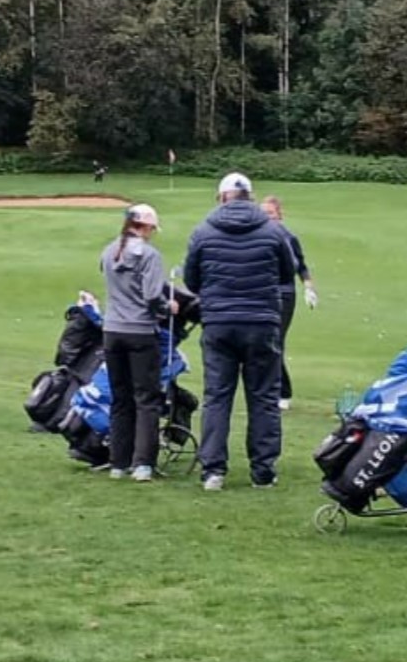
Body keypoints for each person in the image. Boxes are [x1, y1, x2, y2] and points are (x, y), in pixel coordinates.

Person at [178, 172, 300, 489]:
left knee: (217, 397)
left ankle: (213, 470)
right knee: (263, 397)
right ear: (250, 195)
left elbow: (191, 281)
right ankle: (263, 471)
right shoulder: (274, 231)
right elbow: (288, 273)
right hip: (261, 321)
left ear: (222, 198)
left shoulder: (203, 231)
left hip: (218, 322)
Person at [96, 205, 171, 481]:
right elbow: (152, 296)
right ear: (146, 227)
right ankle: (142, 464)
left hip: (112, 331)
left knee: (120, 398)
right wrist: (167, 307)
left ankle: (118, 462)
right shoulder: (149, 255)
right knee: (146, 399)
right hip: (140, 332)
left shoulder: (109, 250)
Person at [262, 194, 316, 410]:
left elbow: (300, 265)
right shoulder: (257, 236)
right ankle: (271, 389)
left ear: (279, 215)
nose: (267, 218)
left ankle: (284, 392)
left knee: (276, 341)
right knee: (265, 341)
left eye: (271, 214)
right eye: (263, 214)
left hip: (284, 294)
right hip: (263, 294)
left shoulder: (287, 237)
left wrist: (309, 288)